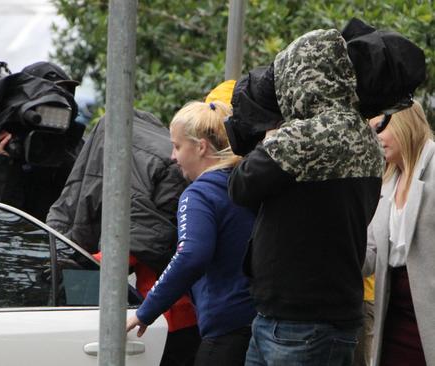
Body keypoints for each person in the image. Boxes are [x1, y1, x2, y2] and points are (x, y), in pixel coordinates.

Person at [228, 28, 386, 366]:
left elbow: (240, 185)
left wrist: (270, 135)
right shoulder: (365, 136)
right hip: (321, 316)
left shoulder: (307, 135)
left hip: (299, 324)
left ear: (299, 77)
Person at [47, 109, 200, 366]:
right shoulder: (171, 172)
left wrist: (78, 262)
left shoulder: (163, 179)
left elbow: (136, 246)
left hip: (164, 314)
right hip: (178, 310)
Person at [126, 101, 256, 366]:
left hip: (225, 328)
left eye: (177, 146)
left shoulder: (199, 194)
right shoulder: (247, 183)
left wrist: (146, 311)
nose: (173, 157)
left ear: (200, 147)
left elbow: (191, 255)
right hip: (259, 321)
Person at [364, 101, 435, 366]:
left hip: (426, 320)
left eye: (380, 128)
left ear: (403, 122)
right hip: (391, 316)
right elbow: (369, 256)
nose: (376, 138)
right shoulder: (385, 181)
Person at [0, 61, 84, 222]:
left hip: (65, 243)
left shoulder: (75, 144)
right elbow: (3, 220)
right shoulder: (10, 145)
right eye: (49, 96)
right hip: (21, 245)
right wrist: (1, 163)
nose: (58, 101)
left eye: (64, 95)